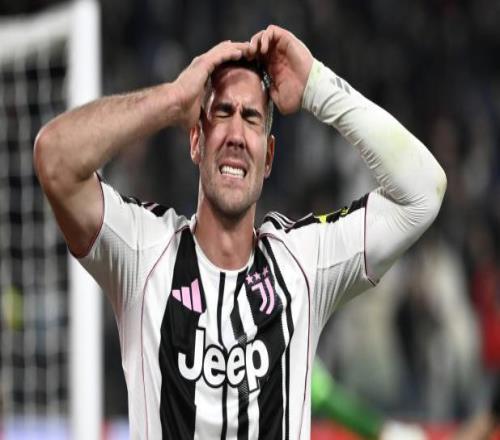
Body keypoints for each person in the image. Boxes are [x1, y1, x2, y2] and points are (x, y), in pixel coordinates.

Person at [34, 25, 446, 440]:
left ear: (268, 157)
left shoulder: (303, 264)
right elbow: (54, 159)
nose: (235, 135)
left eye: (251, 118)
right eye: (222, 113)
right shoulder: (142, 251)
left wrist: (317, 87)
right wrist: (173, 100)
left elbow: (422, 193)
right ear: (196, 141)